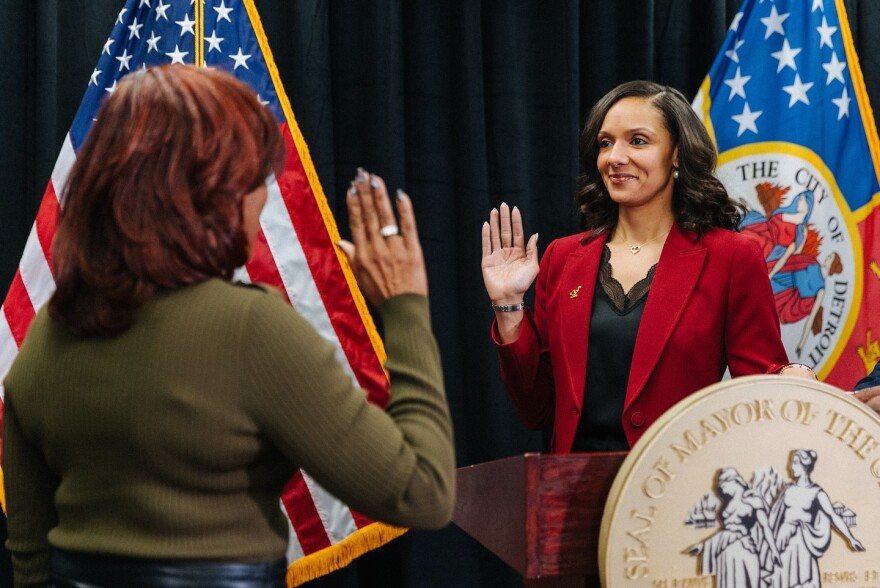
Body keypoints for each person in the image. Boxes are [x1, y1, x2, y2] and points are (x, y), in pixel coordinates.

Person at [2, 65, 454, 588]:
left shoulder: (44, 338)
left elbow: (31, 565)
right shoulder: (252, 331)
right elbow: (423, 491)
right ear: (208, 195)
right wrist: (405, 307)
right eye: (253, 179)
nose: (262, 198)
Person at [480, 80, 814, 454]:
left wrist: (792, 376)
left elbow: (759, 382)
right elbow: (536, 410)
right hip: (572, 492)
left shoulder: (732, 257)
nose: (615, 157)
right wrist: (508, 307)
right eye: (605, 143)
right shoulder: (561, 258)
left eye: (637, 141)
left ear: (676, 154)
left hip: (677, 490)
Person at [766, 450, 864, 587]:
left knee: (801, 580)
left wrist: (850, 538)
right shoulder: (787, 490)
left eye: (794, 463)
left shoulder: (817, 493)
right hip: (782, 540)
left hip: (802, 543)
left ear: (804, 466)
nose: (790, 467)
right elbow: (774, 516)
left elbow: (833, 516)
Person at [687, 468, 780, 587]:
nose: (723, 491)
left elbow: (766, 527)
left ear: (734, 481)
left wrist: (774, 550)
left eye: (724, 486)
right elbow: (726, 531)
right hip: (726, 551)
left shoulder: (752, 499)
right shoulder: (729, 503)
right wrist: (703, 546)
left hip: (743, 548)